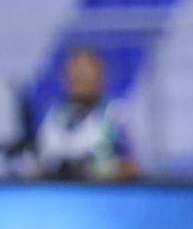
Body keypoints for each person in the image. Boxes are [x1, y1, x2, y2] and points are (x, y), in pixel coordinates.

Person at [35, 46, 136, 181]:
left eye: (86, 73)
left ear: (100, 75)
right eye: (75, 73)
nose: (80, 78)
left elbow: (130, 167)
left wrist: (93, 169)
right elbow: (38, 164)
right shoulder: (51, 115)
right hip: (57, 195)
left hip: (99, 193)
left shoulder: (115, 114)